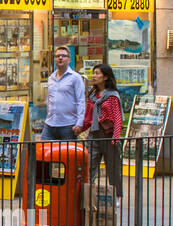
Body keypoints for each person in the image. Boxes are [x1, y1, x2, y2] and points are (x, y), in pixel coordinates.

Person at [74, 64, 124, 200]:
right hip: (94, 136)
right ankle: (88, 196)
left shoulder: (113, 96)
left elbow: (118, 119)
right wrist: (79, 128)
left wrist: (115, 138)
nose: (93, 76)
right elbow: (88, 118)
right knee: (89, 167)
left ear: (106, 77)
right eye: (93, 73)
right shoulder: (92, 96)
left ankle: (117, 196)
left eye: (97, 73)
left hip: (109, 136)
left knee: (113, 170)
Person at [43, 46, 86, 140]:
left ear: (69, 59)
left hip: (68, 125)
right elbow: (49, 99)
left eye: (63, 56)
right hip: (50, 124)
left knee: (66, 154)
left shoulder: (75, 77)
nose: (60, 58)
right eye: (58, 56)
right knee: (44, 152)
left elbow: (81, 101)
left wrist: (79, 123)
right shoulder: (51, 78)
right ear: (54, 59)